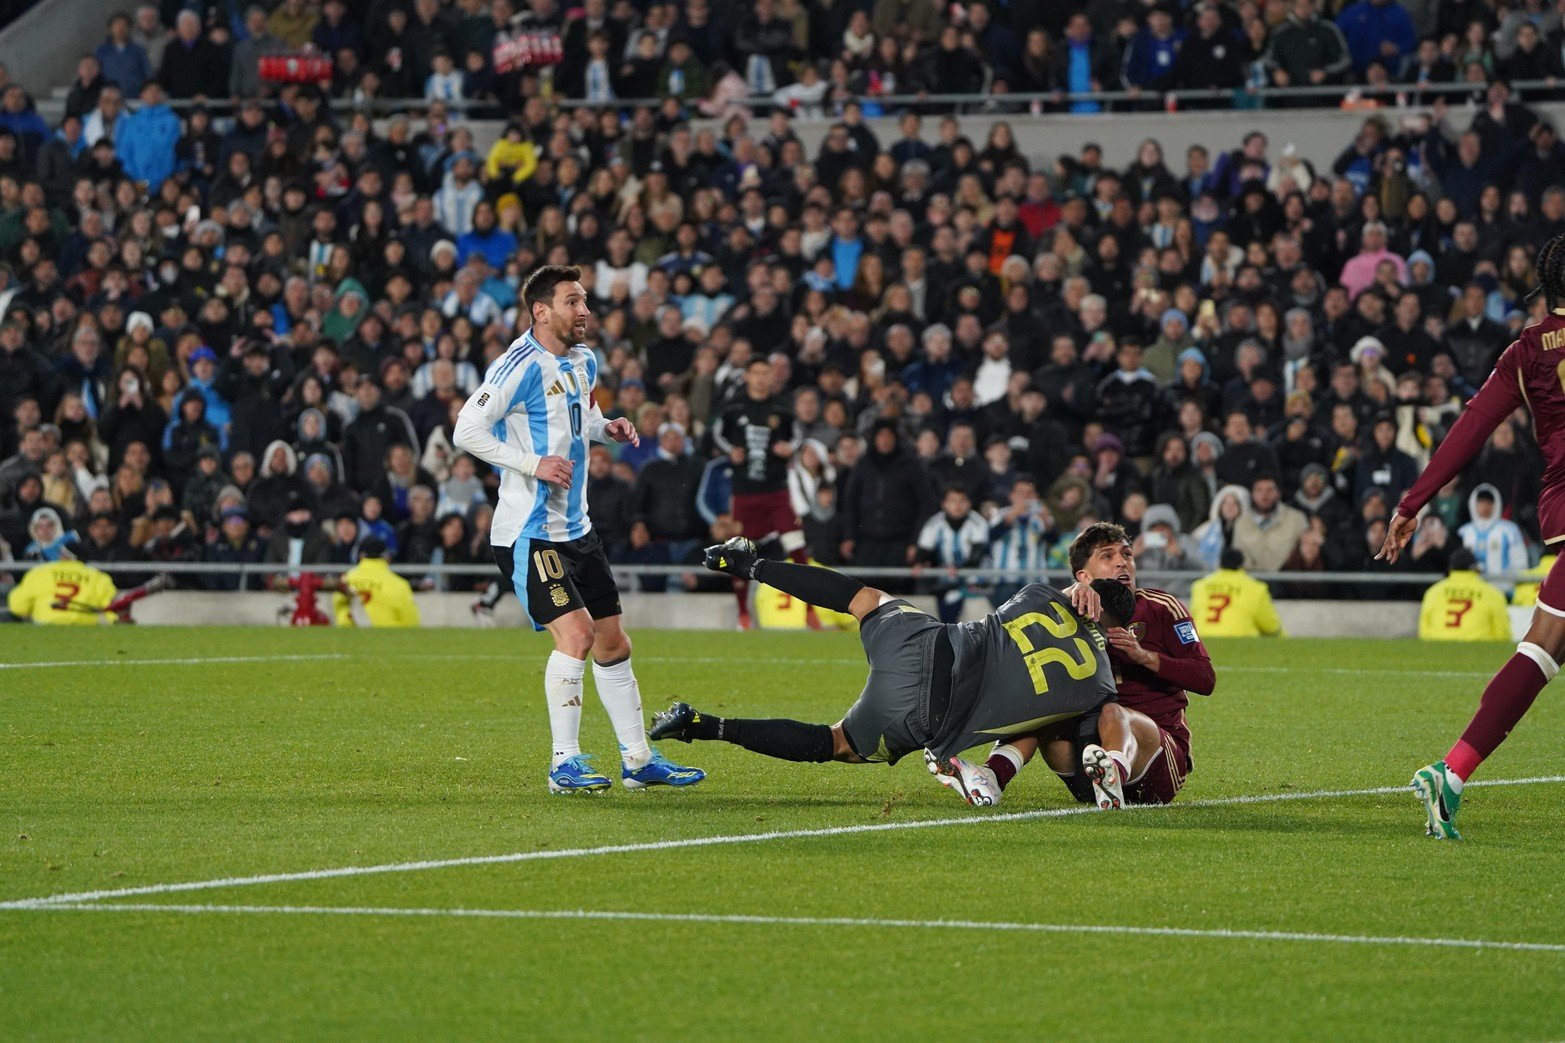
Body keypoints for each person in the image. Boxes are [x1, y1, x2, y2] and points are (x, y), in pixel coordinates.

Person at [654, 535, 1145, 811]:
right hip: (929, 716)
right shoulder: (1096, 685)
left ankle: (749, 564)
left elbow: (1048, 607)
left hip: (925, 647)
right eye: (1114, 558)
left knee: (863, 599)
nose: (1123, 564)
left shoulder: (1041, 593)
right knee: (837, 745)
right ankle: (704, 726)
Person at [452, 264, 704, 795]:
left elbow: (580, 415)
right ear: (541, 311)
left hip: (576, 528)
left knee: (614, 644)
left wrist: (606, 427)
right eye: (573, 301)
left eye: (585, 300)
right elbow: (465, 429)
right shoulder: (515, 365)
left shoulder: (583, 360)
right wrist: (530, 462)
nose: (584, 310)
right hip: (529, 531)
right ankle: (563, 764)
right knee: (578, 635)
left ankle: (637, 760)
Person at [1381, 231, 1565, 839]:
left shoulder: (1525, 352)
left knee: (1543, 649)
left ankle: (1451, 774)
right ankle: (1450, 772)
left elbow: (1469, 430)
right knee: (1542, 648)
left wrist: (1412, 502)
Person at [932, 522, 1217, 808]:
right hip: (1085, 761)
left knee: (1111, 709)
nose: (1122, 562)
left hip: (1158, 763)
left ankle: (1113, 771)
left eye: (1127, 554)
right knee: (1040, 703)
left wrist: (1145, 657)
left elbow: (1205, 679)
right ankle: (992, 777)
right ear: (1083, 575)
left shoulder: (1161, 606)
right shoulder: (1062, 614)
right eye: (1107, 556)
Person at [711, 355, 813, 630]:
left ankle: (812, 611)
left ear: (771, 376)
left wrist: (789, 448)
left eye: (765, 373)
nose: (760, 378)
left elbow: (798, 435)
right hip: (745, 493)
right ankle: (743, 614)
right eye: (755, 372)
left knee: (797, 547)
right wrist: (729, 451)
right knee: (740, 551)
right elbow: (717, 433)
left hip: (777, 492)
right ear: (747, 377)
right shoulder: (734, 408)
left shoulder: (782, 407)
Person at [4, 556, 167, 624]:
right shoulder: (96, 575)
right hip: (85, 630)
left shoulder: (39, 572)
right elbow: (112, 610)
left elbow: (17, 606)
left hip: (45, 626)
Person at [1418, 548, 1511, 642]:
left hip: (1438, 648)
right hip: (1478, 649)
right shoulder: (1492, 593)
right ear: (1475, 567)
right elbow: (1502, 633)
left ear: (1450, 567)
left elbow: (1424, 631)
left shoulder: (1434, 592)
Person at [1191, 547, 1284, 637]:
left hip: (1202, 639)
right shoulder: (1256, 588)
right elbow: (1271, 627)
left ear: (1220, 563)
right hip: (1241, 639)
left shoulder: (1199, 586)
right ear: (1242, 564)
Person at [335, 536, 421, 627]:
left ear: (361, 555)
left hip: (350, 638)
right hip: (390, 638)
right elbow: (412, 622)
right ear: (387, 557)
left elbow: (339, 612)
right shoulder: (400, 584)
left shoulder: (345, 580)